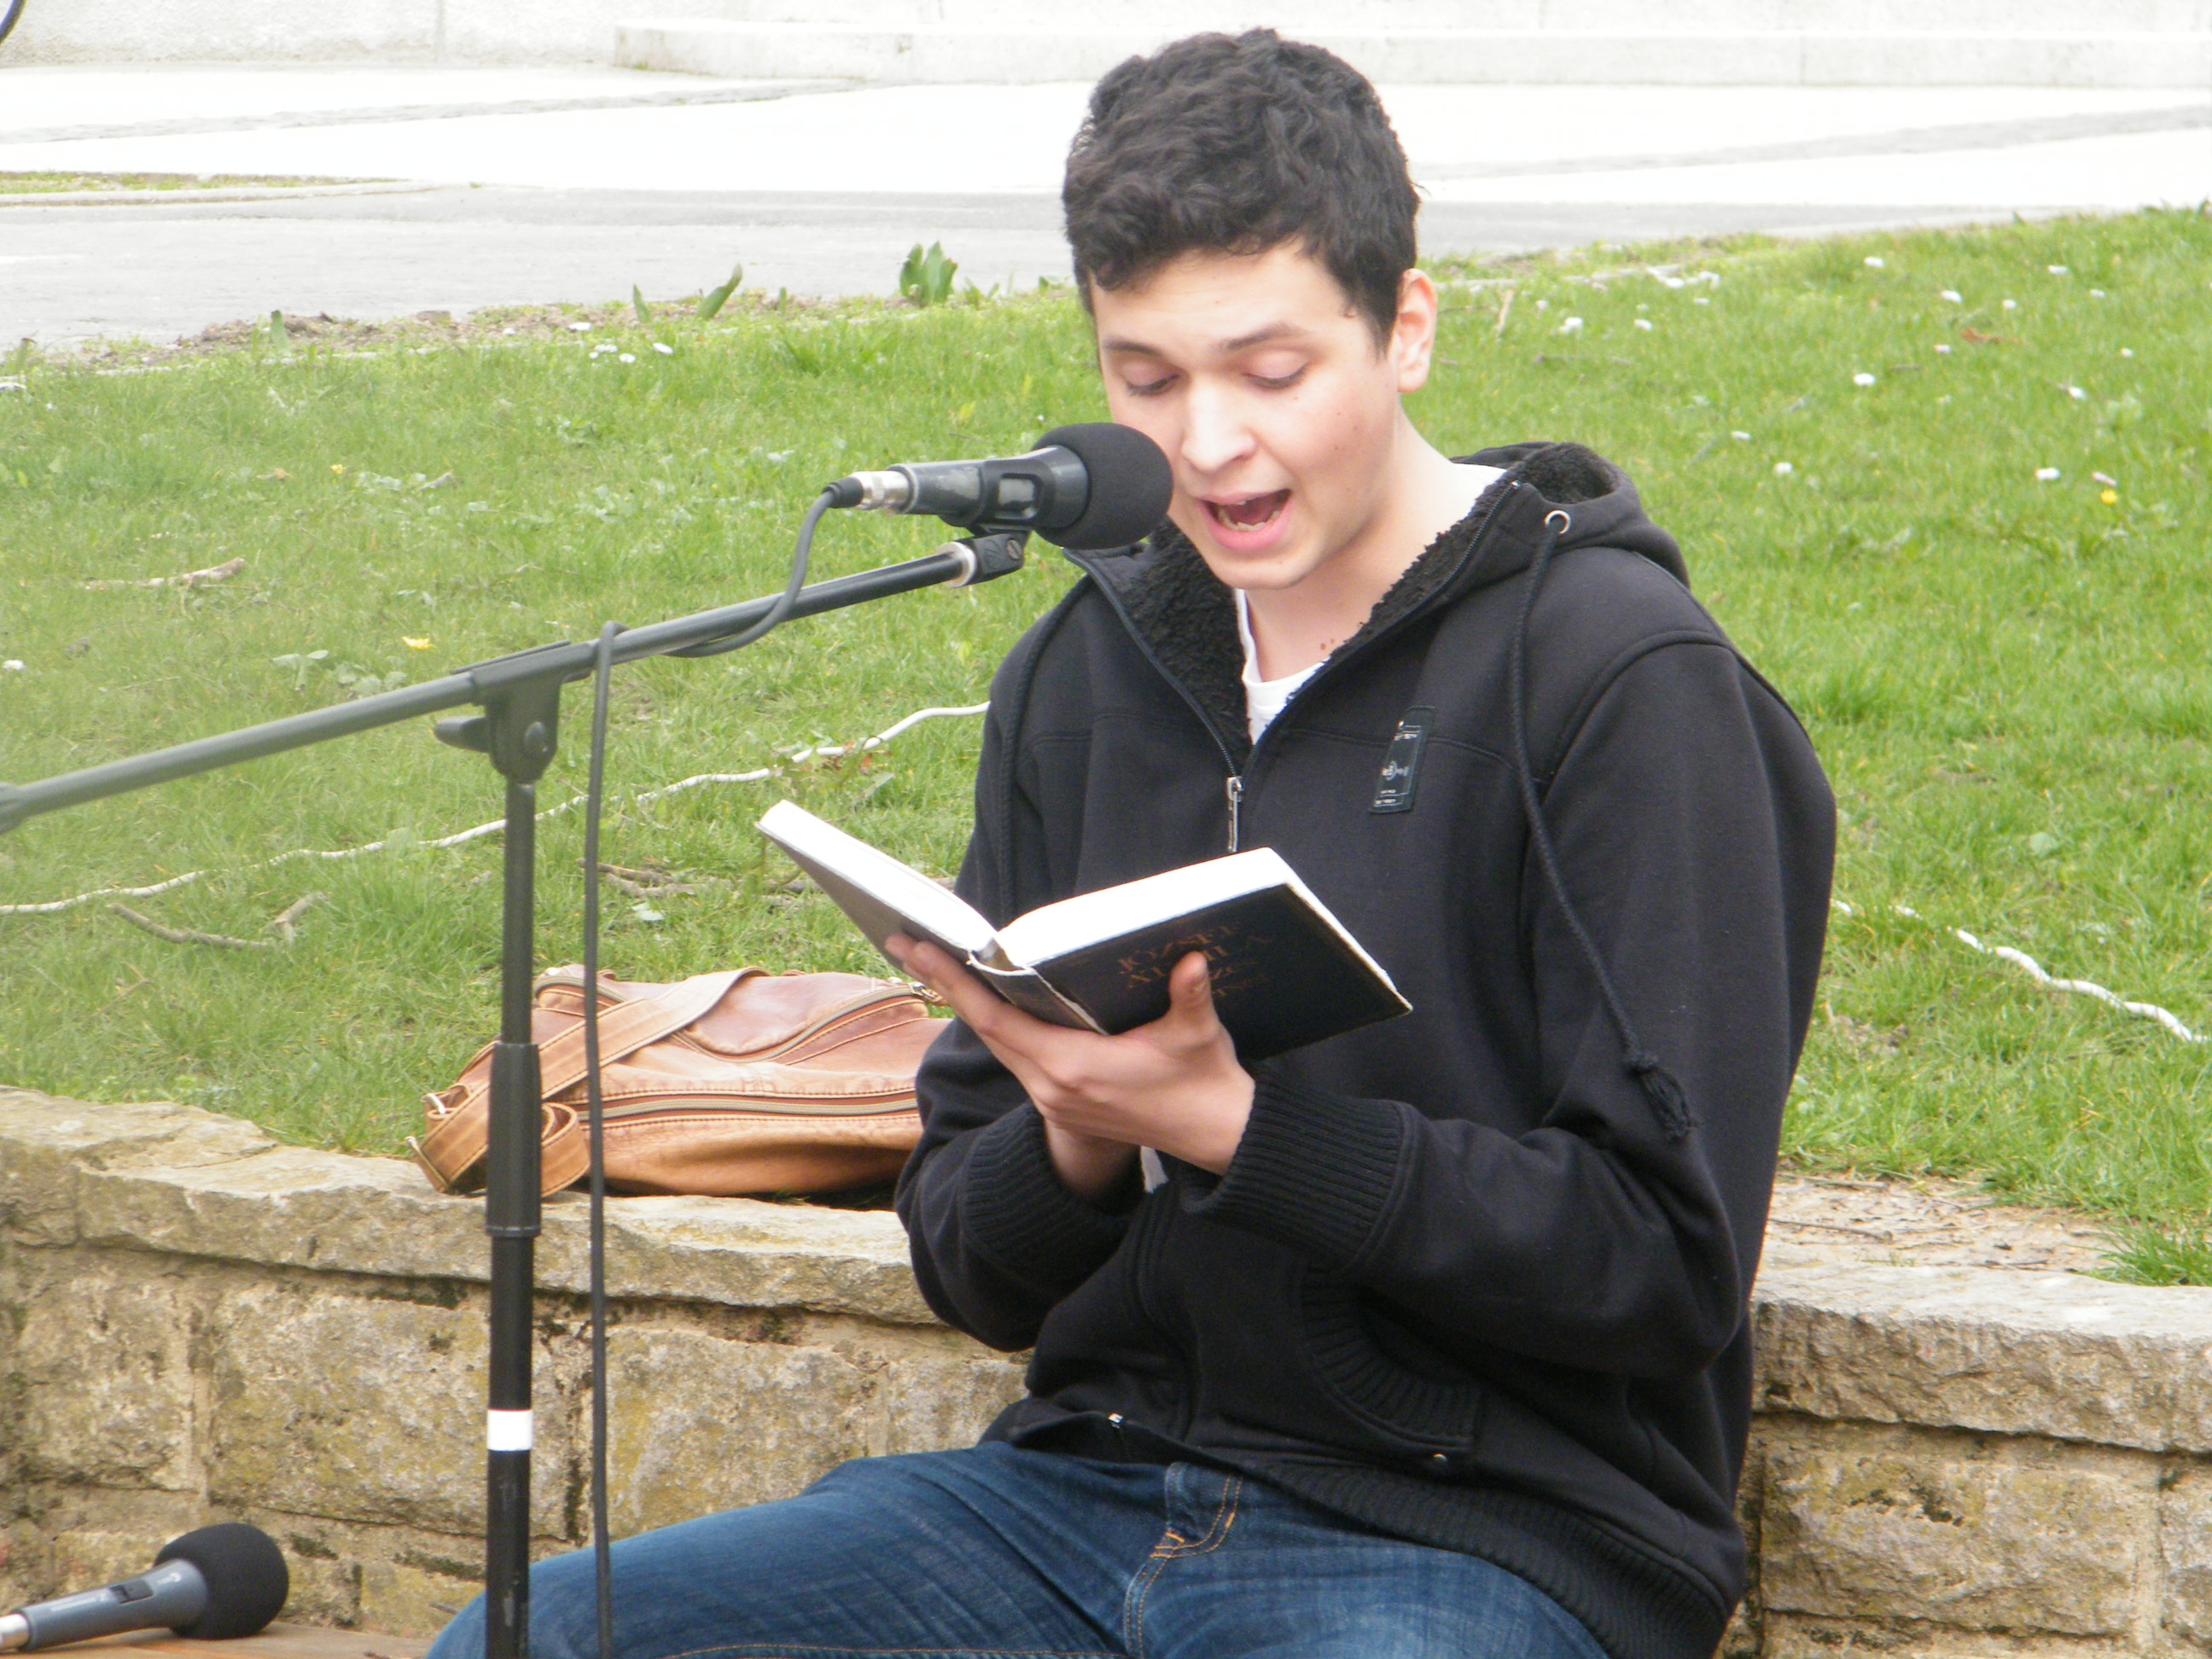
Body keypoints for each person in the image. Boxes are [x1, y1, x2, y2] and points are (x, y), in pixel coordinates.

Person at [428, 28, 1832, 1659]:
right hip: (1079, 1495)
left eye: (1271, 372)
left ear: (1407, 327)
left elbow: (1662, 1263)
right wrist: (1079, 1133)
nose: (1209, 444)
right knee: (532, 1641)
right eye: (1147, 380)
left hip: (1481, 1537)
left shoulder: (1623, 681)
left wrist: (1235, 1128)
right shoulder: (1088, 669)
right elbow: (972, 1264)